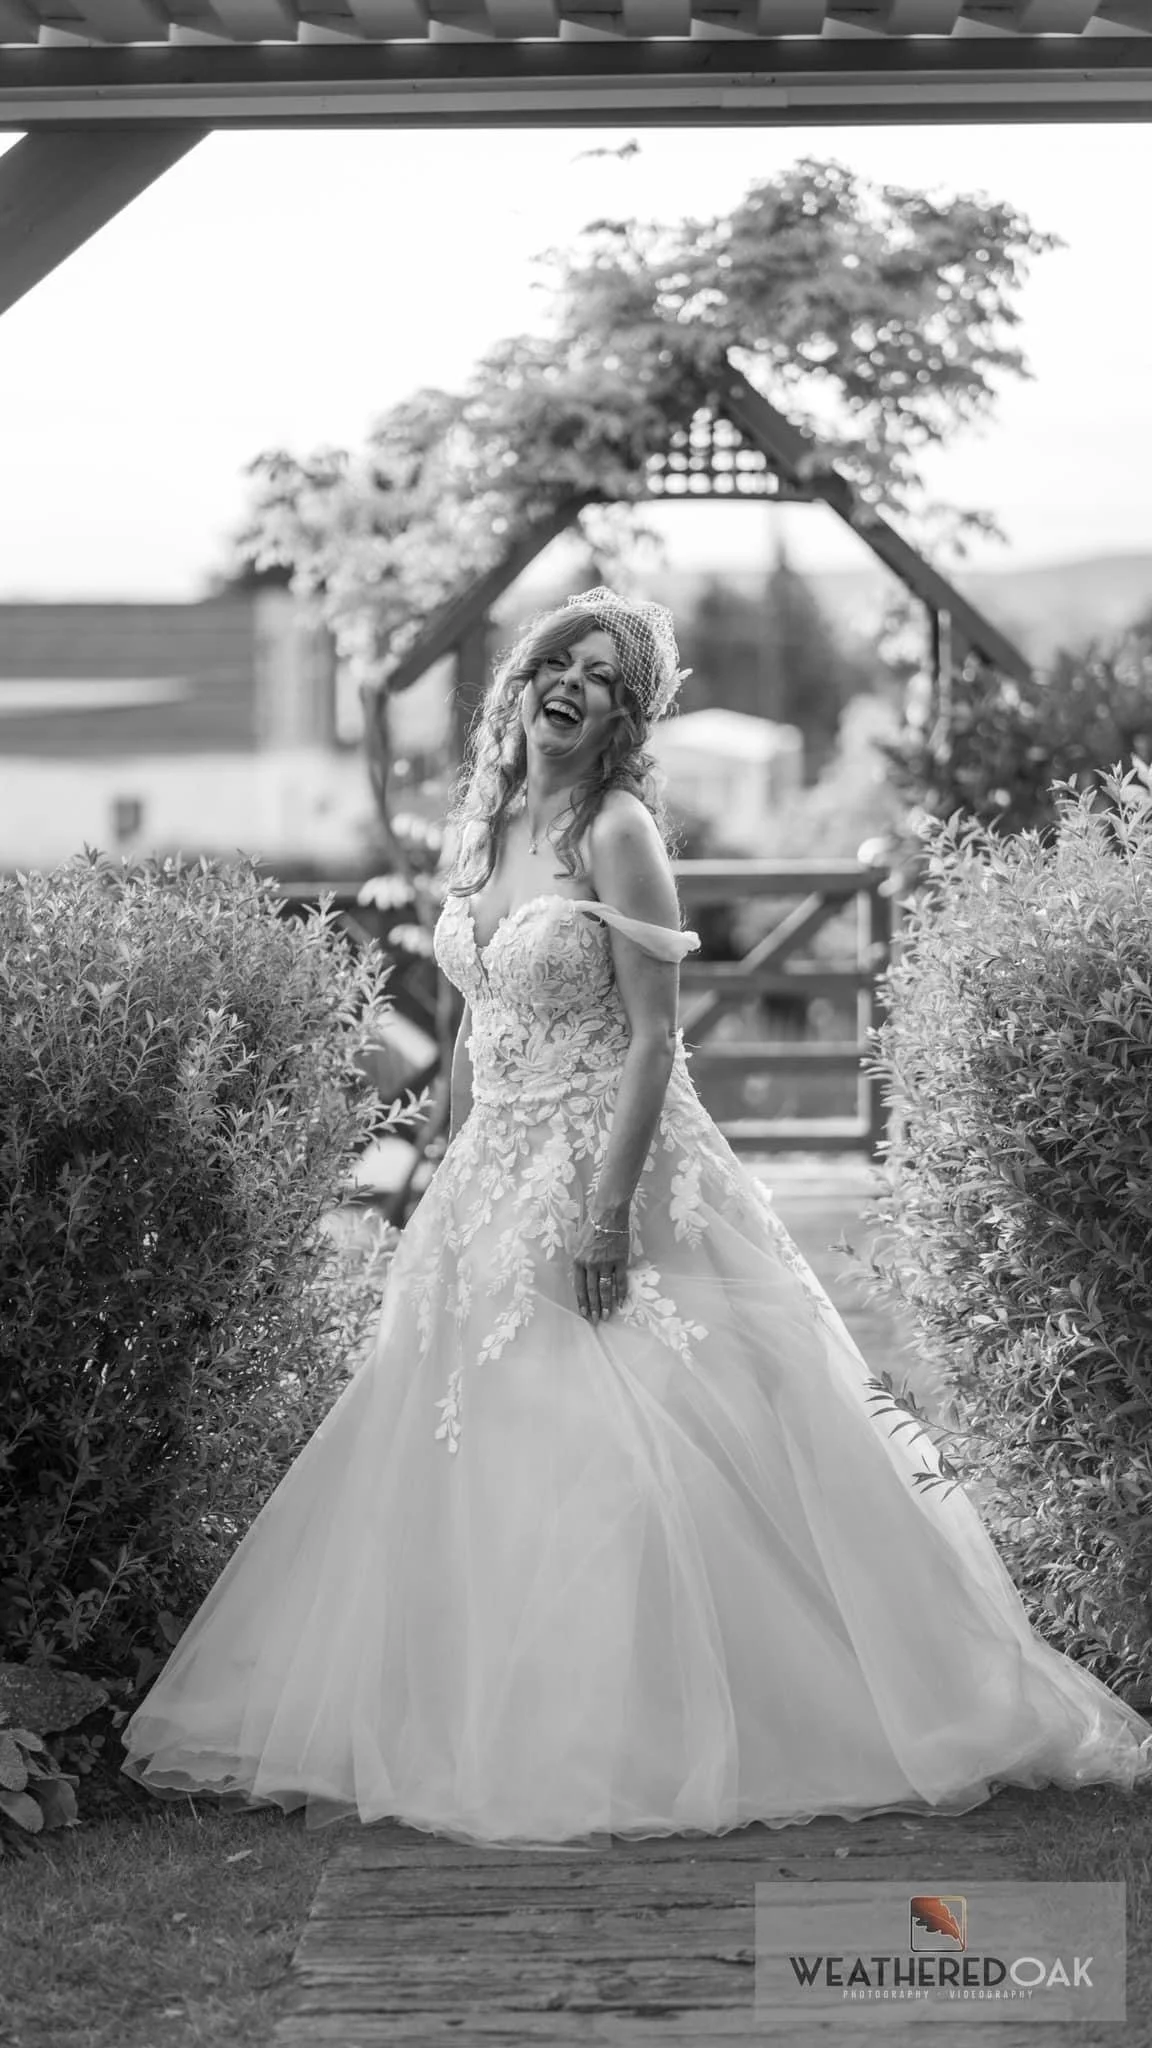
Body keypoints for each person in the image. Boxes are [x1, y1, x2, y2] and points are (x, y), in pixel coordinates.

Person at [121, 587, 1152, 1849]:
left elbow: (659, 1038)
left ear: (625, 717)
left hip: (617, 1162)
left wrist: (605, 1209)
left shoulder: (619, 833)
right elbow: (478, 1014)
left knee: (641, 1429)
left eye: (605, 677)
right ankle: (494, 1713)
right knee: (486, 1434)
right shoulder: (488, 821)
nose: (574, 683)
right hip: (489, 1171)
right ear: (523, 679)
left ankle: (698, 1719)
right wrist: (448, 1159)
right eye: (561, 659)